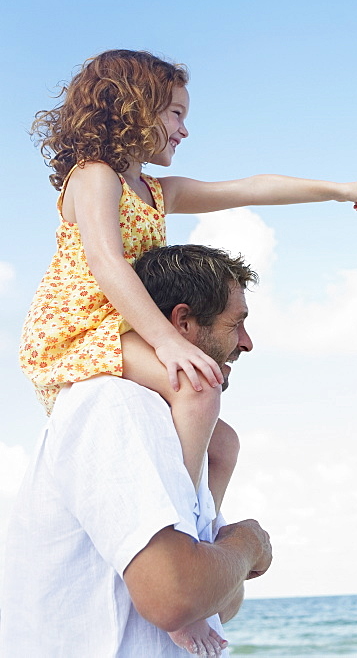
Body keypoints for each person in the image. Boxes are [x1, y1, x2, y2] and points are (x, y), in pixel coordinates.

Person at [17, 49, 357, 653]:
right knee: (198, 383)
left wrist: (332, 188)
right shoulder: (95, 175)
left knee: (223, 442)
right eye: (175, 114)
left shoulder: (156, 192)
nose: (185, 130)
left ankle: (201, 544)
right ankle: (184, 562)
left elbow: (243, 188)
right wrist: (167, 343)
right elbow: (108, 265)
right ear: (134, 108)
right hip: (81, 332)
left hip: (127, 328)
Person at [1, 243, 271, 656]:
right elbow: (175, 596)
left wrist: (218, 563)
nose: (247, 343)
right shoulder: (115, 404)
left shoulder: (174, 427)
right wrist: (247, 543)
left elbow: (220, 601)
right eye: (236, 324)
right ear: (182, 321)